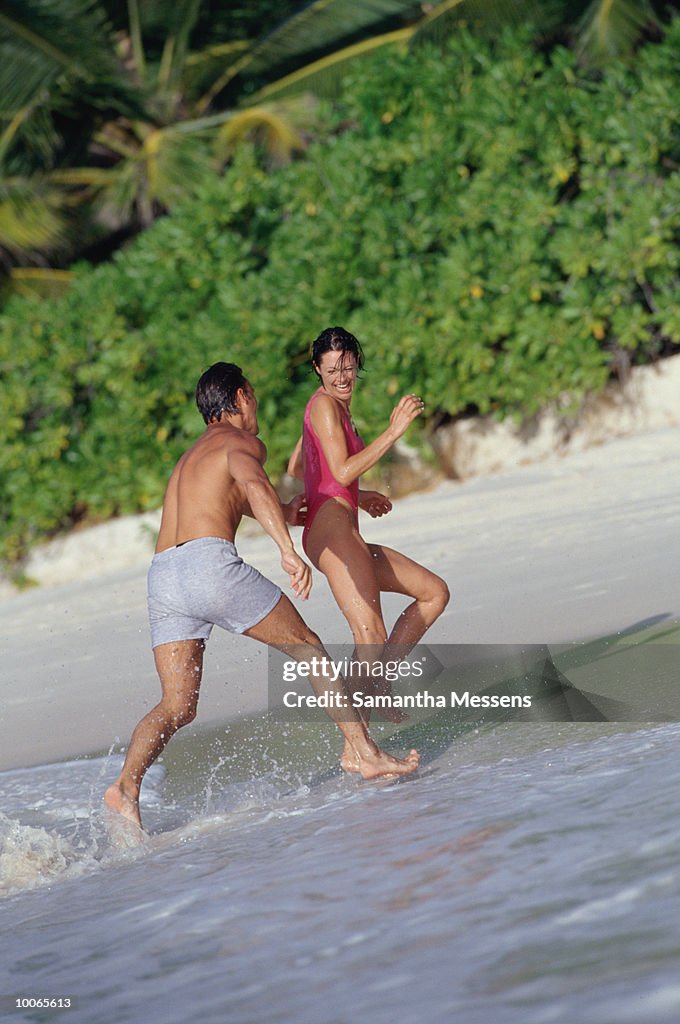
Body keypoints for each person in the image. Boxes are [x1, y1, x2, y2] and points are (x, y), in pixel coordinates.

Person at [104, 362, 419, 830]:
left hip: (164, 576)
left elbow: (233, 500)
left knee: (177, 705)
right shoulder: (243, 442)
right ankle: (364, 752)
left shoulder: (191, 457)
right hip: (209, 566)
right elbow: (253, 483)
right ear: (242, 396)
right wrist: (287, 551)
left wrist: (287, 512)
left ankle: (126, 786)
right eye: (252, 396)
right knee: (308, 648)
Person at [288, 327, 450, 729]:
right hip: (332, 534)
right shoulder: (325, 406)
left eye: (348, 366)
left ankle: (378, 683)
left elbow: (299, 467)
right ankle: (357, 745)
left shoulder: (333, 409)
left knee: (433, 593)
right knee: (369, 632)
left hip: (343, 528)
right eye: (332, 369)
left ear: (356, 362)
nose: (342, 376)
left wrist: (354, 496)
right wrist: (393, 432)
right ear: (317, 369)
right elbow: (341, 469)